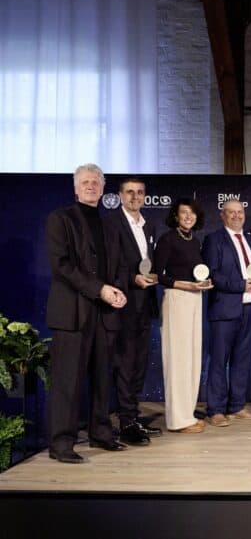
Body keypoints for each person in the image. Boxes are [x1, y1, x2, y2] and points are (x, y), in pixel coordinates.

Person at [46, 164, 129, 463]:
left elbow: (120, 265)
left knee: (102, 379)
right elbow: (62, 266)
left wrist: (117, 290)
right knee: (67, 381)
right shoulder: (60, 219)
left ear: (103, 188)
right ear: (75, 188)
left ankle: (101, 433)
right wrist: (100, 289)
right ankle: (61, 444)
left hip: (104, 313)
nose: (91, 186)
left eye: (95, 181)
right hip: (72, 314)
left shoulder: (111, 225)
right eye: (85, 182)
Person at [202, 200, 251, 426]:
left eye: (240, 212)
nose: (236, 216)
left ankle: (236, 406)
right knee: (219, 360)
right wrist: (241, 285)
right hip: (224, 309)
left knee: (242, 360)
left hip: (250, 308)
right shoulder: (214, 240)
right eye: (231, 212)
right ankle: (215, 410)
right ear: (222, 215)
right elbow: (213, 275)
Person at [107, 176, 160, 446]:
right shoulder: (112, 223)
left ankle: (133, 417)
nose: (135, 197)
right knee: (126, 364)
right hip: (124, 304)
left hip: (144, 303)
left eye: (139, 192)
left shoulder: (147, 224)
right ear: (120, 195)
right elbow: (111, 265)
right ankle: (126, 422)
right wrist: (132, 279)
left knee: (139, 364)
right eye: (129, 192)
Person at [153, 198, 212, 433]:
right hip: (177, 299)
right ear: (175, 216)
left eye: (192, 213)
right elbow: (157, 275)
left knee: (191, 358)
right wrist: (184, 285)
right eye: (184, 213)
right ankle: (177, 420)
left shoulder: (194, 241)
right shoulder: (167, 239)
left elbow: (196, 272)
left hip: (195, 298)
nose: (188, 217)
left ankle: (187, 414)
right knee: (178, 360)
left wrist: (203, 283)